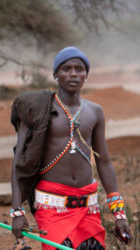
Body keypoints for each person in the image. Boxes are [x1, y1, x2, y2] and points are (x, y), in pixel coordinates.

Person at [10, 46, 133, 249]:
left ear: (87, 75)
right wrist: (17, 210)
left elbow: (104, 162)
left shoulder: (95, 111)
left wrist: (119, 213)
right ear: (56, 74)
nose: (74, 73)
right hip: (51, 207)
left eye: (79, 68)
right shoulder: (37, 109)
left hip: (88, 207)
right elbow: (19, 164)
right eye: (66, 68)